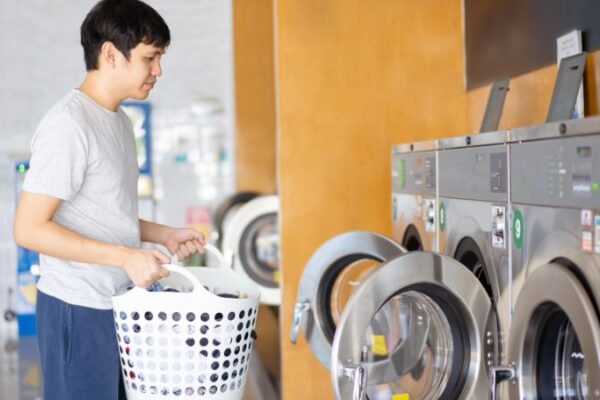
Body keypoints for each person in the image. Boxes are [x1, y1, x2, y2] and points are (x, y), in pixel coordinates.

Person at [12, 1, 205, 399]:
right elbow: (28, 229)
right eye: (150, 58)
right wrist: (125, 257)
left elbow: (106, 215)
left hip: (117, 306)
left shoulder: (118, 121)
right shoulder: (69, 124)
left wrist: (163, 234)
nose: (158, 71)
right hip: (77, 311)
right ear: (111, 54)